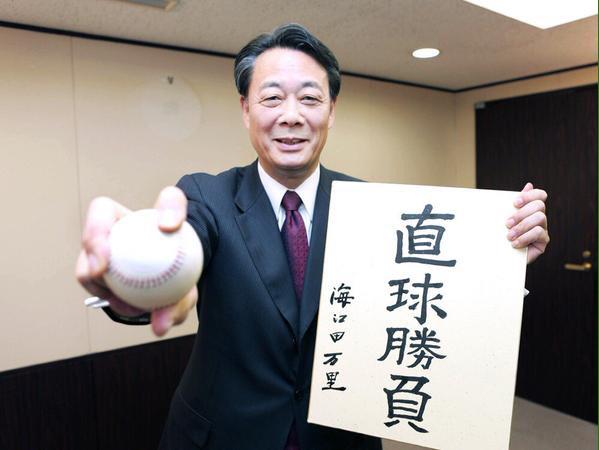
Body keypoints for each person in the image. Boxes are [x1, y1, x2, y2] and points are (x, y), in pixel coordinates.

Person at [76, 23, 550, 450]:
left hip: (339, 436)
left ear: (331, 110)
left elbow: (424, 297)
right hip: (224, 435)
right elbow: (183, 241)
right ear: (246, 109)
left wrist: (503, 261)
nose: (291, 115)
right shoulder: (206, 195)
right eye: (272, 98)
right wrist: (135, 273)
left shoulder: (371, 206)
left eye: (309, 98)